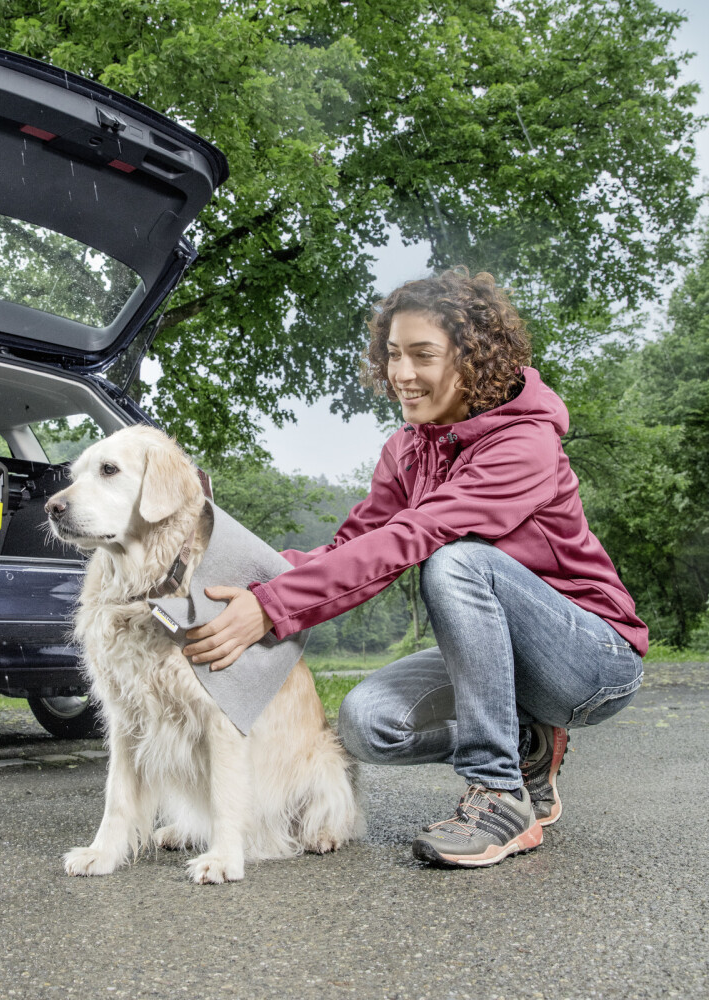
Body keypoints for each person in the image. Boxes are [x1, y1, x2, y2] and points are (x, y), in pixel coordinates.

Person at [181, 267, 646, 868]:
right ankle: (529, 743)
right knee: (366, 725)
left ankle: (498, 793)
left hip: (591, 661)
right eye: (393, 354)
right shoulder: (407, 449)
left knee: (455, 563)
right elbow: (356, 544)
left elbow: (412, 538)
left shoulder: (524, 443)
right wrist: (252, 582)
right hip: (509, 656)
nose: (402, 374)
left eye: (423, 355)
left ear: (474, 358)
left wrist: (273, 609)